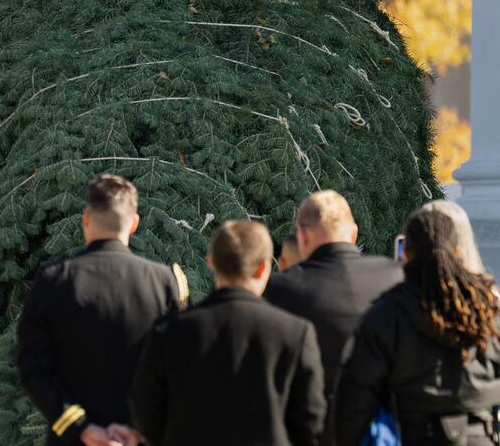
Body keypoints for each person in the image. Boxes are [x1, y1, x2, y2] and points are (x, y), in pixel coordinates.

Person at [16, 174, 187, 446]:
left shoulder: (53, 281)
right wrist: (137, 430)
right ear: (134, 223)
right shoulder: (164, 282)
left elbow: (33, 369)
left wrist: (83, 428)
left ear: (86, 218)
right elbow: (176, 372)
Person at [129, 220, 326, 446]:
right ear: (263, 267)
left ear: (211, 261)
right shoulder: (295, 333)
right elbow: (310, 422)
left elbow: (145, 413)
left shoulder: (170, 330)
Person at [334, 206, 500, 445]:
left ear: (407, 254)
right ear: (458, 252)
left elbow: (352, 403)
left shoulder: (386, 315)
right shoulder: (490, 311)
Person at [264, 190, 403, 443]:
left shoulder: (279, 289)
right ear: (354, 233)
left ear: (302, 236)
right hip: (385, 430)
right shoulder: (397, 278)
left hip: (310, 433)